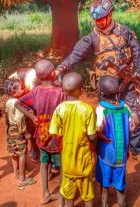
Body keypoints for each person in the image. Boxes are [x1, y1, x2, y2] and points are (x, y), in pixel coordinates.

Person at [57, 0, 140, 167]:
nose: (99, 22)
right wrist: (62, 67)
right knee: (104, 118)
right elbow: (77, 54)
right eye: (96, 20)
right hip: (105, 86)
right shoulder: (92, 37)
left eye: (102, 18)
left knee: (133, 114)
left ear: (110, 15)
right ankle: (108, 148)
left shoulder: (125, 32)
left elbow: (137, 53)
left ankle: (137, 151)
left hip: (126, 81)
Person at [15, 59, 65, 205]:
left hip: (42, 137)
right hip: (57, 138)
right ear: (53, 73)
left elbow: (18, 103)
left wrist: (32, 116)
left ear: (37, 76)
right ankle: (61, 197)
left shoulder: (35, 91)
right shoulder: (60, 93)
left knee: (44, 164)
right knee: (61, 167)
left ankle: (45, 194)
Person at [49, 72, 97, 207]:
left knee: (69, 195)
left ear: (63, 90)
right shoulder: (87, 109)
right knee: (88, 194)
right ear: (82, 90)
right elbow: (92, 135)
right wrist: (96, 147)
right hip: (84, 160)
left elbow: (54, 133)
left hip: (68, 160)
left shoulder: (60, 109)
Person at [95, 75, 135, 207]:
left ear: (100, 92)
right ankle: (121, 203)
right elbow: (132, 127)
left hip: (106, 152)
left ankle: (104, 203)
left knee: (105, 181)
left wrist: (99, 136)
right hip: (121, 153)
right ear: (118, 91)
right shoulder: (126, 108)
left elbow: (98, 128)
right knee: (120, 180)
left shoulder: (101, 109)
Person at [4, 79, 36, 188]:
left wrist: (8, 127)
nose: (23, 89)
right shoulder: (19, 103)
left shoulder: (8, 102)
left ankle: (16, 173)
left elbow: (6, 116)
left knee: (14, 152)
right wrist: (26, 133)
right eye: (21, 88)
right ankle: (23, 179)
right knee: (22, 153)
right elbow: (20, 120)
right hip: (19, 131)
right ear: (14, 92)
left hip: (11, 131)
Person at [8, 68, 40, 162]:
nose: (23, 89)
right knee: (30, 123)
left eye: (22, 88)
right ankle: (35, 149)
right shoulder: (16, 82)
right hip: (21, 123)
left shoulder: (32, 80)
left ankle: (36, 149)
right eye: (21, 88)